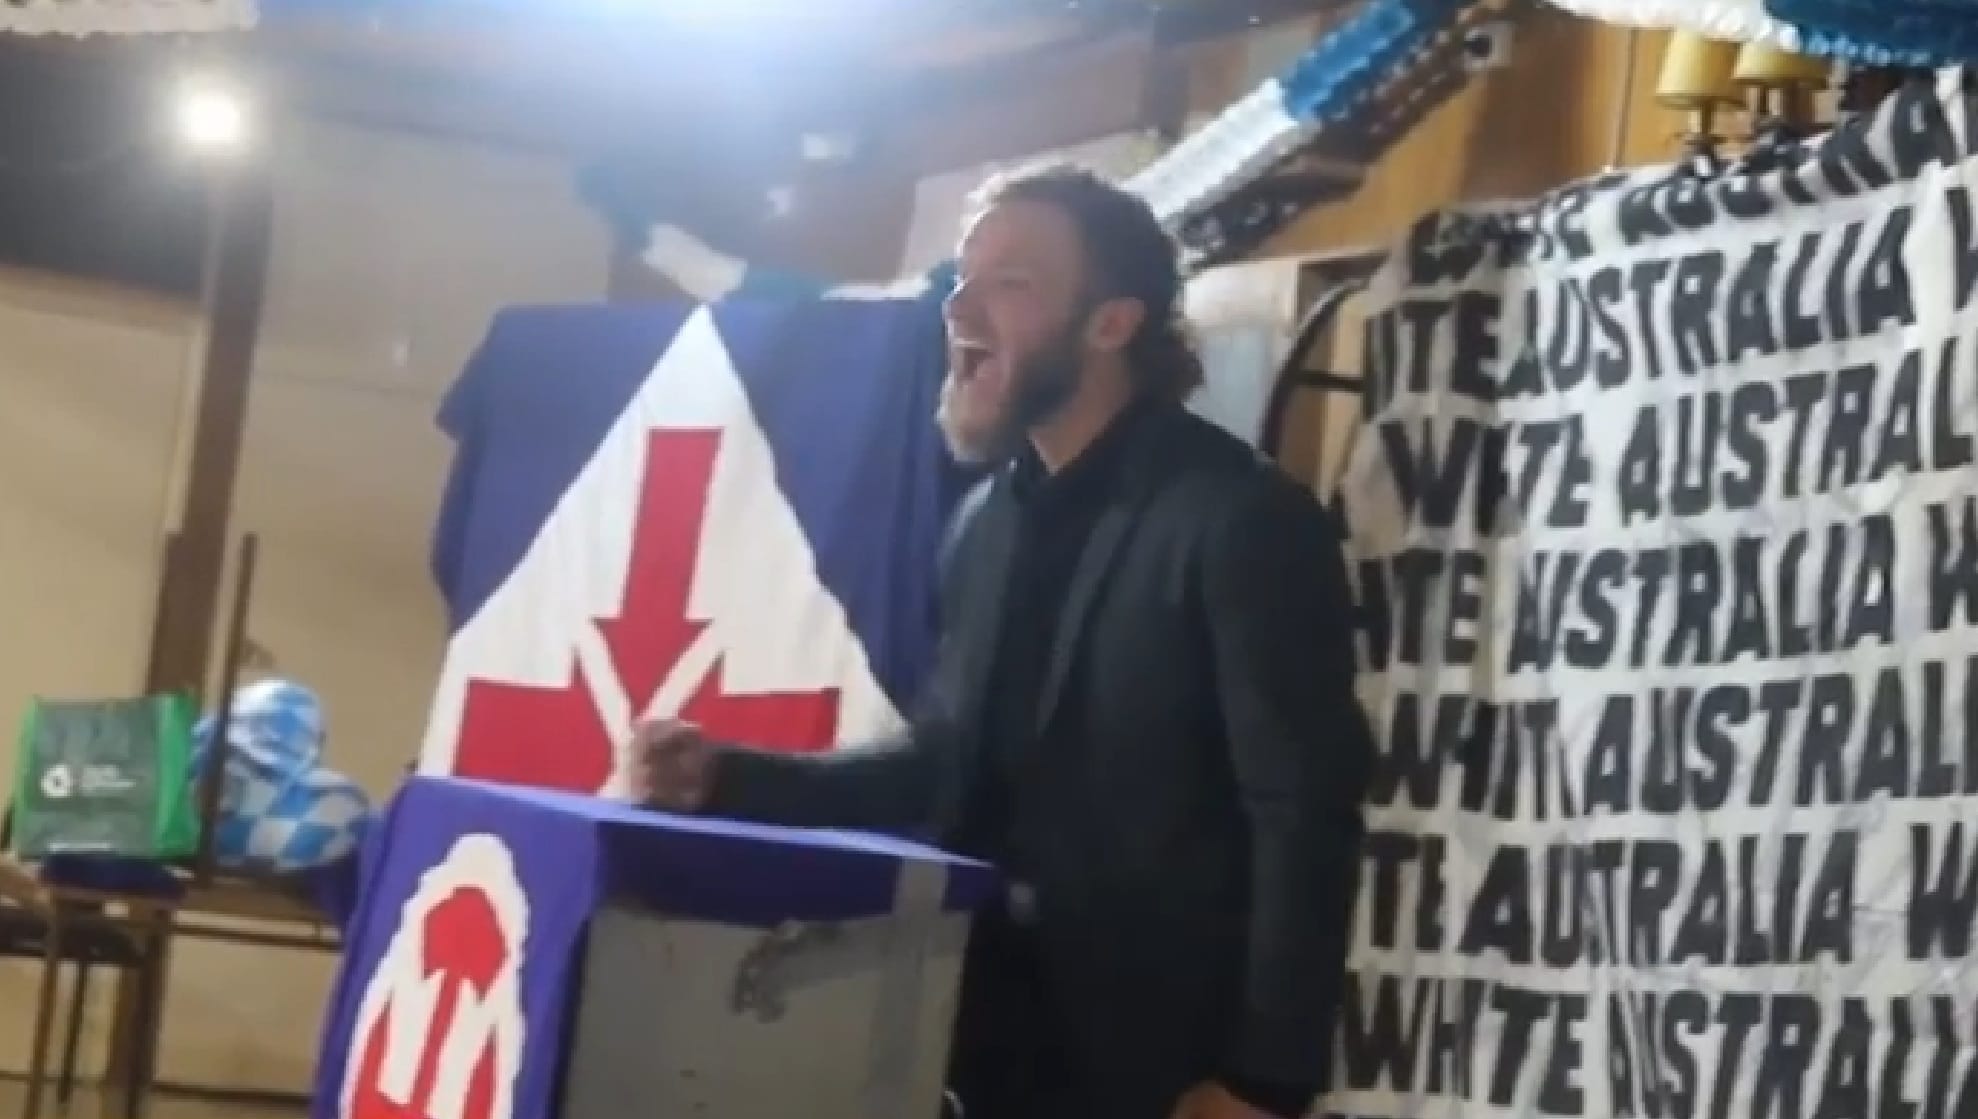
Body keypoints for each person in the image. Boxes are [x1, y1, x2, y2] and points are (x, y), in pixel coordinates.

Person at [631, 164, 1372, 1119]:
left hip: (1163, 1076)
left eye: (1010, 282)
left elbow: (1302, 814)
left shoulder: (1241, 518)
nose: (958, 306)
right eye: (962, 277)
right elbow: (945, 761)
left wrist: (1263, 1081)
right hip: (978, 1042)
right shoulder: (984, 521)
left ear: (1112, 322)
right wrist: (729, 780)